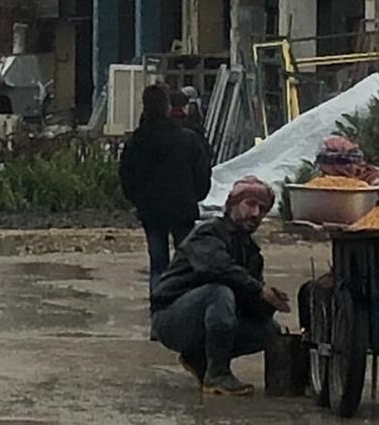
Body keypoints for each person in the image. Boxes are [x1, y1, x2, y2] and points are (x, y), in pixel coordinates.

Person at [148, 176, 288, 396]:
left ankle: (199, 358)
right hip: (170, 318)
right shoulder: (208, 232)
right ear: (232, 204)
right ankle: (218, 374)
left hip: (204, 318)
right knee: (218, 293)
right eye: (250, 204)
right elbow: (215, 268)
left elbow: (247, 301)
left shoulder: (251, 253)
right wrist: (257, 289)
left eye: (262, 209)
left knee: (270, 330)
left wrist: (268, 302)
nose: (255, 214)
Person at [120, 84, 213, 288]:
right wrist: (195, 196)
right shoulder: (187, 139)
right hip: (183, 208)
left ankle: (159, 307)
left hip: (151, 211)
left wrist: (138, 200)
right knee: (187, 262)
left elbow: (126, 178)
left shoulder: (135, 143)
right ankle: (185, 305)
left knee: (158, 264)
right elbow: (202, 173)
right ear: (168, 108)